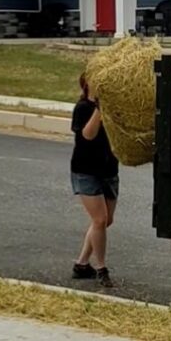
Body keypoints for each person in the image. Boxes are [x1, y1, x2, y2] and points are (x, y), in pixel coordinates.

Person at [70, 74, 119, 287]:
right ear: (87, 84)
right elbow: (87, 136)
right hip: (85, 170)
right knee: (99, 220)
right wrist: (99, 110)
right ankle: (101, 268)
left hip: (109, 169)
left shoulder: (112, 107)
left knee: (106, 221)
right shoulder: (82, 108)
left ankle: (81, 264)